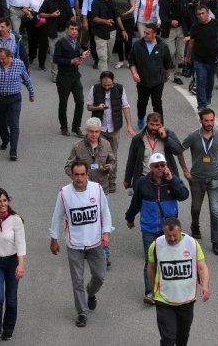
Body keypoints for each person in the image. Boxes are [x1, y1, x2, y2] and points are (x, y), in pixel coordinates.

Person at [50, 161, 112, 328]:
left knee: (99, 276)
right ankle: (82, 312)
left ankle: (91, 292)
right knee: (77, 281)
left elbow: (105, 212)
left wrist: (106, 232)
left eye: (82, 174)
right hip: (75, 244)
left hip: (95, 242)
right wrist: (54, 239)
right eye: (76, 175)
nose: (79, 178)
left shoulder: (97, 189)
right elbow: (57, 217)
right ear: (72, 175)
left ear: (87, 175)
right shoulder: (64, 193)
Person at [126, 154, 189, 305]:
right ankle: (150, 292)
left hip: (169, 230)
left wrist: (172, 179)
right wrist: (130, 217)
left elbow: (184, 195)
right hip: (149, 227)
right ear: (150, 167)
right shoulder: (142, 182)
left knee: (171, 258)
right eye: (157, 166)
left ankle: (170, 289)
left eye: (162, 165)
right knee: (151, 259)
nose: (160, 168)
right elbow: (136, 201)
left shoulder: (172, 180)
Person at [147, 217, 210, 346]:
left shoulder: (192, 244)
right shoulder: (156, 245)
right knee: (168, 338)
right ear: (163, 233)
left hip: (186, 300)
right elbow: (151, 268)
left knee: (182, 337)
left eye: (175, 235)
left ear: (180, 231)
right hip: (164, 299)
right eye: (168, 236)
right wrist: (152, 289)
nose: (172, 239)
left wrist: (205, 285)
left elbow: (202, 267)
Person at [178, 109, 218, 256]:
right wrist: (185, 171)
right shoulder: (193, 136)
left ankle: (215, 241)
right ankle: (195, 226)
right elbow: (179, 150)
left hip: (214, 179)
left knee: (215, 210)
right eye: (206, 120)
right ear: (200, 120)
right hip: (197, 179)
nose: (209, 123)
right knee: (196, 207)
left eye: (212, 120)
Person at [0, 188, 26, 345]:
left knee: (11, 299)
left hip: (12, 262)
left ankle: (8, 328)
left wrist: (20, 265)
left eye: (5, 200)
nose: (2, 204)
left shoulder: (15, 219)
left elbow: (21, 244)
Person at [86, 70, 134, 193]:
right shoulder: (95, 88)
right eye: (104, 85)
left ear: (113, 81)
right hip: (99, 130)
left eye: (109, 85)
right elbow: (89, 106)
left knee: (113, 156)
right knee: (97, 155)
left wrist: (129, 125)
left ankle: (112, 181)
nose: (107, 87)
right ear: (100, 82)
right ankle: (97, 181)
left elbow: (125, 106)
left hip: (114, 128)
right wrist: (98, 107)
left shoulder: (120, 89)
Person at [0, 48, 34, 161]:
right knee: (2, 123)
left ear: (10, 56)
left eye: (4, 59)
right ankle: (5, 139)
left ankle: (13, 150)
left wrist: (31, 93)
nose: (1, 61)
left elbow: (26, 79)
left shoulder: (19, 64)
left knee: (14, 123)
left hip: (14, 98)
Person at [129, 23, 173, 129]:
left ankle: (160, 125)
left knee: (157, 104)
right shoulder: (137, 45)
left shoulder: (163, 46)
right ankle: (140, 118)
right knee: (141, 103)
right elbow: (131, 61)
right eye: (144, 32)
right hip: (142, 82)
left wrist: (165, 77)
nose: (144, 35)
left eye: (147, 33)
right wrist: (134, 73)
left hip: (157, 82)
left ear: (154, 34)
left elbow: (167, 64)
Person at [124, 112, 184, 190]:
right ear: (147, 123)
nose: (155, 128)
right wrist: (127, 179)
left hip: (164, 178)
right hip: (145, 178)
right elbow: (131, 160)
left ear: (161, 125)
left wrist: (165, 138)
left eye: (157, 125)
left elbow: (178, 150)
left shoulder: (168, 134)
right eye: (152, 124)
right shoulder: (138, 139)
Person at [53, 19, 90, 137]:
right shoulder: (61, 43)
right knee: (63, 103)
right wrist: (71, 61)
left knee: (80, 101)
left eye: (76, 29)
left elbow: (76, 56)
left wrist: (81, 56)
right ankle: (64, 127)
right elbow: (56, 59)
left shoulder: (76, 41)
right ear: (67, 30)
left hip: (75, 76)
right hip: (63, 77)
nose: (74, 32)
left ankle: (76, 127)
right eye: (72, 29)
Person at [185, 5, 218, 113]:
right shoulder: (195, 26)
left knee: (210, 81)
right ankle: (202, 105)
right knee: (201, 80)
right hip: (199, 59)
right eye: (199, 14)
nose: (201, 16)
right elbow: (191, 42)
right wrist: (187, 57)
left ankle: (208, 97)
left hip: (213, 58)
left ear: (207, 13)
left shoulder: (215, 23)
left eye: (203, 13)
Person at [39, 0, 74, 82]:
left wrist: (73, 26)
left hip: (65, 32)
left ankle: (64, 73)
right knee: (54, 54)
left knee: (66, 54)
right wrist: (51, 15)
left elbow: (71, 15)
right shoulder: (49, 0)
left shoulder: (66, 1)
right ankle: (55, 75)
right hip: (53, 32)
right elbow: (41, 14)